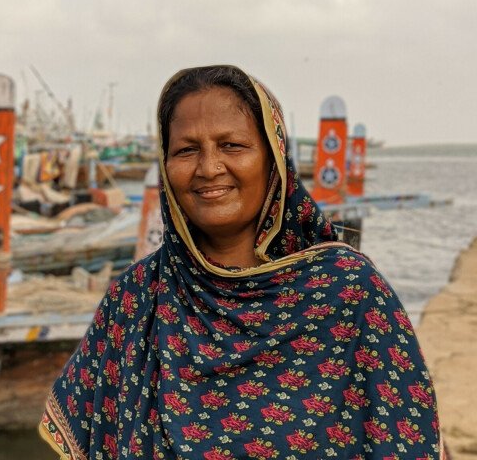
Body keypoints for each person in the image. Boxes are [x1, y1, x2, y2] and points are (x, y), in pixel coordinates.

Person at [39, 65, 443, 459]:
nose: (209, 168)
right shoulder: (136, 299)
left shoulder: (350, 293)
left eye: (232, 145)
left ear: (274, 160)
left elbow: (406, 437)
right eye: (186, 150)